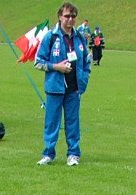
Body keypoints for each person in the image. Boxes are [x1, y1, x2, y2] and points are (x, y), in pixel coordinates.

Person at [35, 4, 91, 167]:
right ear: (60, 16)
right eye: (67, 16)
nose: (70, 19)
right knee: (52, 122)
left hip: (74, 89)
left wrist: (84, 80)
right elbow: (38, 62)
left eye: (73, 16)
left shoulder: (80, 37)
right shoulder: (50, 37)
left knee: (73, 122)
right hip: (55, 87)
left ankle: (73, 154)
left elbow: (86, 61)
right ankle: (48, 154)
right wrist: (56, 67)